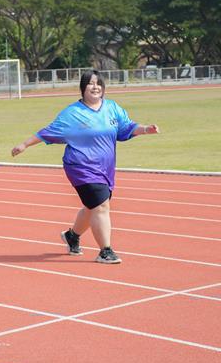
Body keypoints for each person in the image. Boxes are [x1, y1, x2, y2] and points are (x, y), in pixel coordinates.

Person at [11, 70, 159, 264]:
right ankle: (105, 251)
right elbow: (48, 131)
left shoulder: (112, 108)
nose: (95, 86)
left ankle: (72, 236)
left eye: (98, 83)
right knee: (101, 205)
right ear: (82, 88)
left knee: (92, 207)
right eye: (90, 83)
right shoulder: (72, 113)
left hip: (104, 168)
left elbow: (127, 127)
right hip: (80, 167)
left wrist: (146, 129)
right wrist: (24, 145)